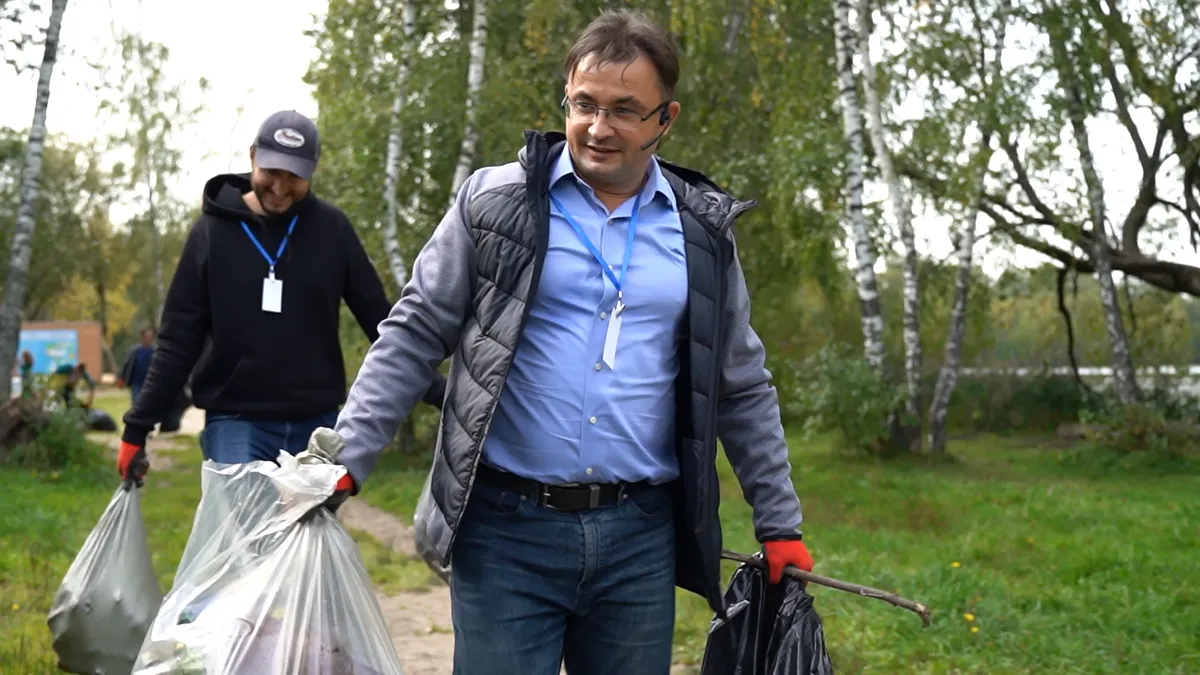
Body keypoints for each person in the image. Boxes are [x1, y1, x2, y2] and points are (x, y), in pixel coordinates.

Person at [314, 11, 813, 674]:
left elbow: (740, 386)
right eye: (585, 104)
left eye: (624, 110)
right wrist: (347, 455)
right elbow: (413, 332)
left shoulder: (702, 233)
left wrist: (779, 522)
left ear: (666, 119)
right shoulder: (495, 203)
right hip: (505, 529)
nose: (598, 128)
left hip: (639, 537)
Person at [116, 109, 446, 486]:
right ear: (253, 156)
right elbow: (178, 340)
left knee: (305, 546)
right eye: (271, 171)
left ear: (312, 171)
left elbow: (383, 323)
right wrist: (137, 428)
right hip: (237, 423)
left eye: (295, 176)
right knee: (244, 541)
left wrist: (439, 391)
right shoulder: (211, 234)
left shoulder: (332, 231)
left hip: (317, 426)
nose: (280, 186)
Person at [119, 328, 156, 405]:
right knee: (136, 403)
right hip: (136, 383)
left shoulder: (154, 351)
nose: (149, 339)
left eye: (151, 337)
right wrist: (122, 379)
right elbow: (127, 365)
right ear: (143, 337)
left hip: (150, 383)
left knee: (148, 403)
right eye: (147, 336)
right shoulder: (135, 351)